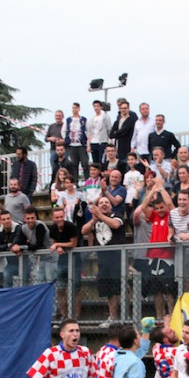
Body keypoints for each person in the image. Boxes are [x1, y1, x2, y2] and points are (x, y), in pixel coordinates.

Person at [81, 196, 125, 325]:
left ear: (111, 206)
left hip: (117, 258)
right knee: (108, 290)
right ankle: (112, 317)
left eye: (106, 202)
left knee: (118, 288)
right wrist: (93, 220)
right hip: (103, 259)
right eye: (101, 203)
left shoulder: (117, 215)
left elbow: (115, 225)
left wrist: (100, 215)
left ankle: (119, 317)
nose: (104, 204)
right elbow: (84, 231)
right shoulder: (97, 219)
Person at [139, 179, 176, 319]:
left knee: (170, 290)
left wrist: (161, 189)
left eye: (162, 207)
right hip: (153, 257)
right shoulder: (154, 216)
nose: (160, 210)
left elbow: (171, 204)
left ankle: (172, 317)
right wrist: (153, 191)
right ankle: (160, 317)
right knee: (156, 290)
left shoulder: (172, 215)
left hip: (168, 257)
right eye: (158, 208)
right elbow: (143, 207)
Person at [49, 207, 81, 318]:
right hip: (61, 261)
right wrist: (58, 246)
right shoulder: (52, 229)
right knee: (61, 289)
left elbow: (73, 244)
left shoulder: (71, 226)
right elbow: (54, 243)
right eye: (57, 217)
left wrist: (58, 245)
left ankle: (76, 316)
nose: (59, 219)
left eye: (61, 217)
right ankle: (64, 315)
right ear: (53, 218)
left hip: (75, 261)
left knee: (76, 289)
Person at [63, 102, 89, 180]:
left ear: (79, 109)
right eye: (73, 108)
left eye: (76, 108)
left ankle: (87, 180)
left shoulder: (83, 120)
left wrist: (87, 142)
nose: (74, 109)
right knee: (74, 164)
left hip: (81, 145)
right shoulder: (68, 120)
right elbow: (64, 130)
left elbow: (88, 131)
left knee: (85, 163)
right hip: (72, 145)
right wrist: (66, 139)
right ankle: (75, 181)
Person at [87, 100, 112, 164]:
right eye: (95, 106)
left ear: (101, 107)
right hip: (93, 142)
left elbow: (109, 129)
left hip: (102, 142)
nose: (96, 108)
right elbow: (89, 133)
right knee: (95, 162)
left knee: (102, 161)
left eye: (98, 106)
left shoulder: (105, 117)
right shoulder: (91, 119)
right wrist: (88, 145)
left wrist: (110, 142)